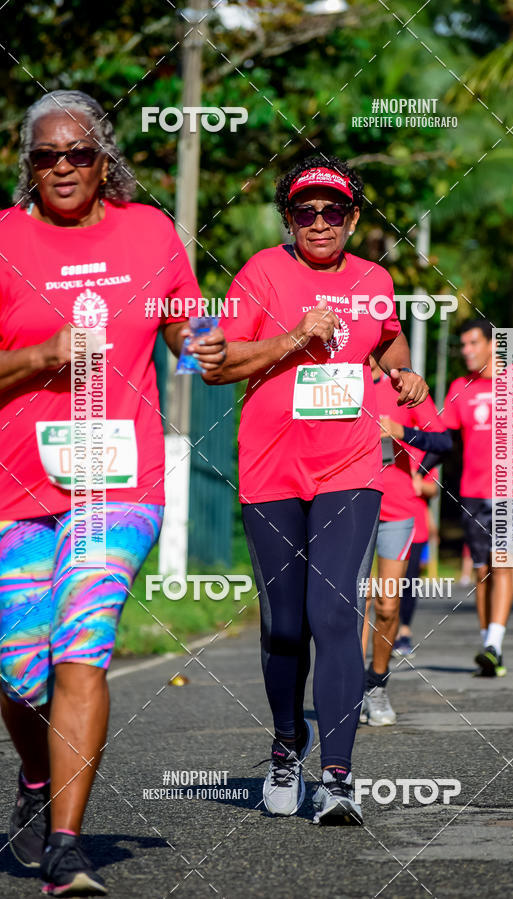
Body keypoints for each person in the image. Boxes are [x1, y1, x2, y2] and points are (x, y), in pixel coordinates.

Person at [0, 90, 225, 895]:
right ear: (29, 166)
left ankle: (66, 844)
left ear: (105, 159)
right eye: (46, 156)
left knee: (82, 642)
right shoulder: (3, 238)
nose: (63, 167)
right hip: (15, 484)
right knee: (20, 664)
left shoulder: (150, 232)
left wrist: (200, 337)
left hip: (118, 482)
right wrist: (36, 358)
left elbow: (184, 327)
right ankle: (36, 776)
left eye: (78, 154)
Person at [202, 155, 429, 824]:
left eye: (334, 210)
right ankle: (284, 749)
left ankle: (336, 777)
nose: (321, 221)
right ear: (289, 218)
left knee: (334, 614)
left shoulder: (374, 278)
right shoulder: (262, 273)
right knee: (285, 627)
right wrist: (293, 335)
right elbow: (217, 364)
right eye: (306, 211)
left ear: (354, 218)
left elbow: (388, 344)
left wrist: (408, 374)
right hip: (271, 468)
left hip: (350, 467)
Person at [420, 319, 513, 677]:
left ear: (493, 345)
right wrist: (420, 470)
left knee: (504, 563)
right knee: (482, 571)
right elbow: (446, 441)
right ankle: (490, 645)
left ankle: (494, 644)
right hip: (472, 492)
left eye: (473, 343)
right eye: (463, 345)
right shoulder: (460, 388)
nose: (467, 351)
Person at [360, 357, 450, 725]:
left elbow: (444, 440)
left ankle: (376, 686)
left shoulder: (403, 385)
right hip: (347, 504)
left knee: (386, 605)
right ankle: (347, 690)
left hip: (397, 507)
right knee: (353, 603)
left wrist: (402, 434)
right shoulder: (334, 378)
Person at [391, 457, 440, 657]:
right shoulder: (387, 447)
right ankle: (390, 631)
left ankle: (404, 631)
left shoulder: (425, 454)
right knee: (392, 582)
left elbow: (434, 489)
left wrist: (416, 479)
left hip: (417, 527)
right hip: (390, 522)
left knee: (410, 580)